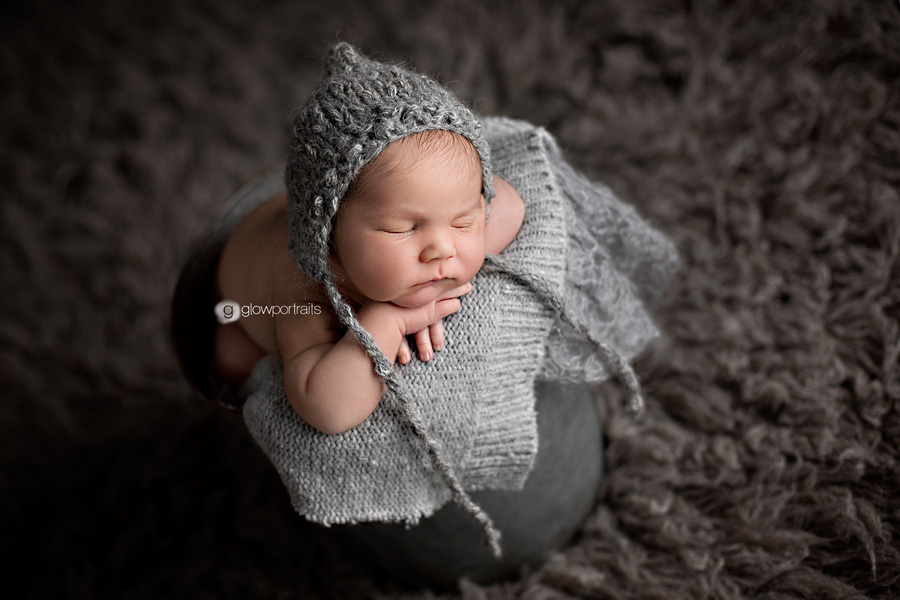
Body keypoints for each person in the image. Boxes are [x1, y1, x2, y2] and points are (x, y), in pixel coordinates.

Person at [213, 129, 525, 435]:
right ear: (332, 238)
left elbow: (509, 204)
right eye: (401, 229)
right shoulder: (305, 287)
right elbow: (327, 409)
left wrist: (422, 292)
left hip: (319, 204)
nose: (443, 249)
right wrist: (387, 320)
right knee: (234, 358)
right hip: (244, 307)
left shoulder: (410, 221)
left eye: (462, 222)